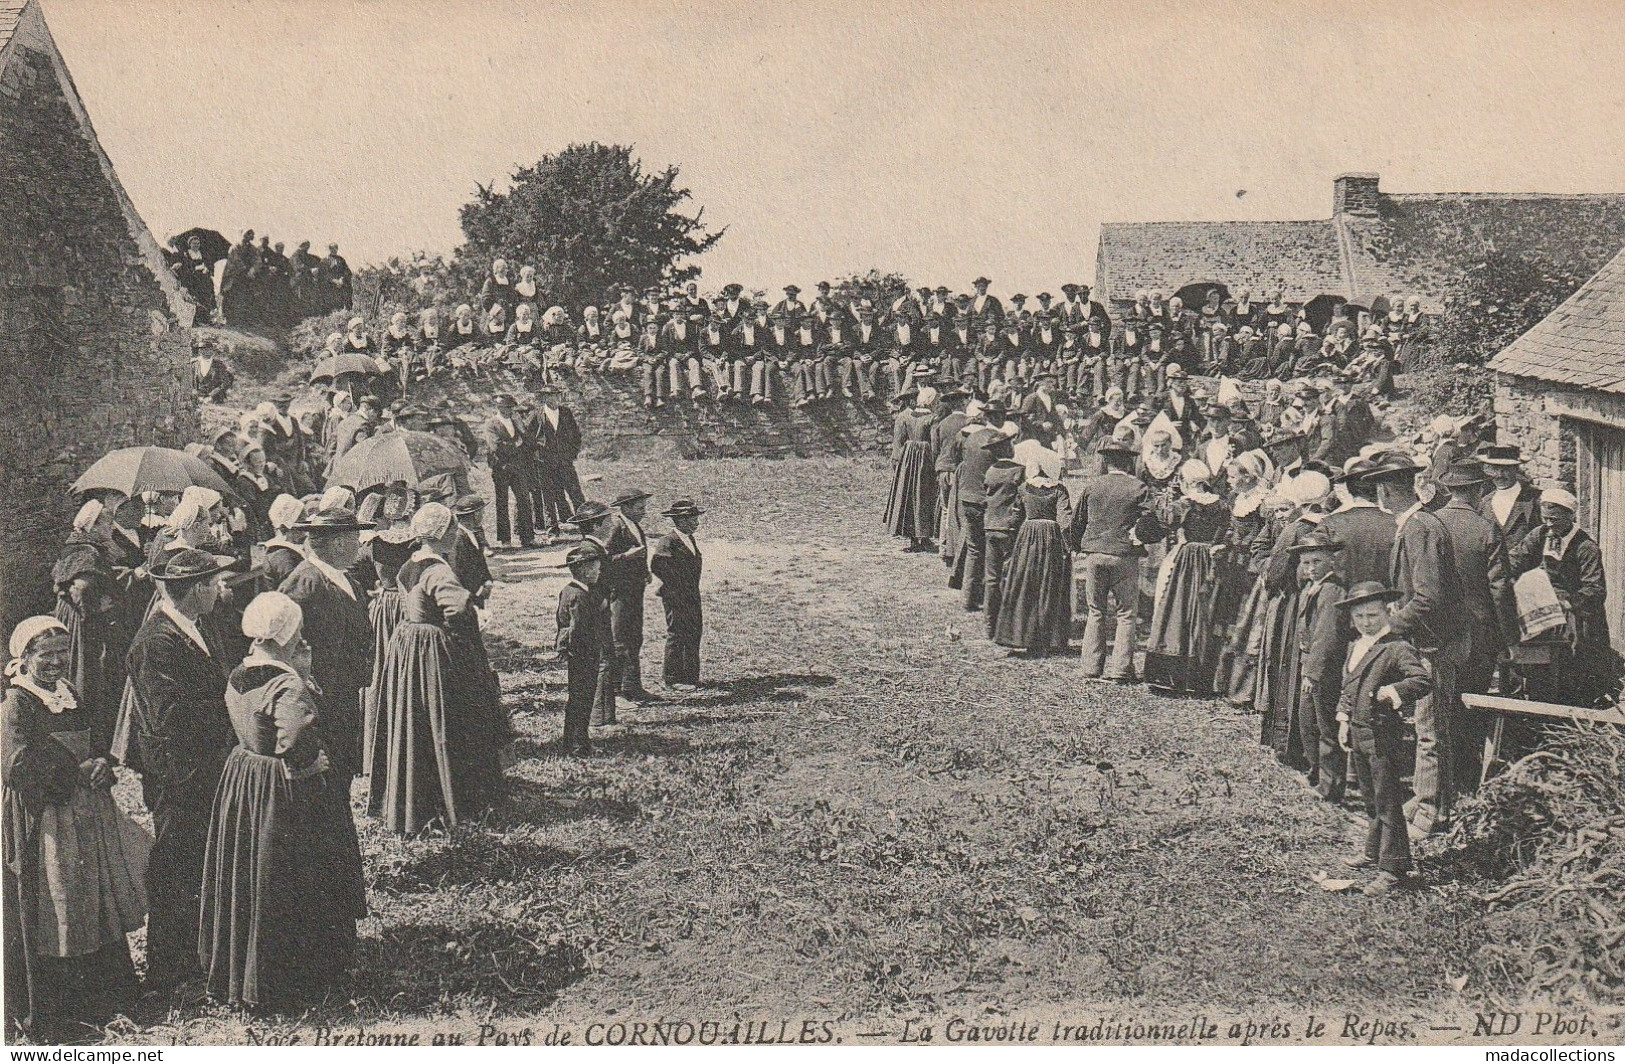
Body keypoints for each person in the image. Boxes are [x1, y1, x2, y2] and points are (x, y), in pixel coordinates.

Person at [198, 593, 366, 1010]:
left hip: (245, 775)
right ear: (287, 634)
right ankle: (292, 974)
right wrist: (310, 763)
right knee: (289, 872)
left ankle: (244, 967)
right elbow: (295, 737)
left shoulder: (239, 673)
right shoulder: (286, 682)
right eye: (298, 633)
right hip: (282, 785)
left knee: (252, 870)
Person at [3, 617, 147, 1042]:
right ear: (24, 659)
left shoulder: (70, 694)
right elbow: (15, 766)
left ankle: (103, 996)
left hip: (86, 816)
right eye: (45, 656)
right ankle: (56, 1008)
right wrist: (75, 772)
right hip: (44, 819)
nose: (55, 663)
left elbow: (93, 740)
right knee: (56, 902)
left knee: (91, 898)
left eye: (62, 654)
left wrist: (103, 761)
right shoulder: (16, 705)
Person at [123, 547, 235, 990]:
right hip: (178, 775)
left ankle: (198, 956)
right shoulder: (157, 641)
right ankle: (167, 972)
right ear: (195, 590)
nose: (219, 589)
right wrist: (230, 706)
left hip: (203, 766)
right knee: (174, 867)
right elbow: (169, 717)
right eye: (212, 583)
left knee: (196, 864)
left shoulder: (195, 625)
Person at [373, 503, 508, 833]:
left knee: (416, 721)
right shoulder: (438, 570)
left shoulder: (410, 563)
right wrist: (473, 627)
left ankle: (419, 797)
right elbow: (458, 612)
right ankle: (454, 799)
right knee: (447, 720)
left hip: (407, 646)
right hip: (433, 650)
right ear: (446, 535)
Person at [1367, 451, 1465, 835]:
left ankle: (1431, 813)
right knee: (1428, 726)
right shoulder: (1414, 525)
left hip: (1433, 646)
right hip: (1424, 643)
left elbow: (1428, 598)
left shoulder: (1419, 528)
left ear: (1385, 490)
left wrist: (1390, 625)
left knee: (1430, 731)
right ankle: (1426, 798)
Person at [1335, 582, 1433, 896]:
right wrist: (1342, 720)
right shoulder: (1356, 646)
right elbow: (1348, 688)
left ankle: (1394, 869)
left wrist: (1394, 691)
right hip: (1358, 733)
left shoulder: (1396, 647)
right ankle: (1372, 850)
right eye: (1360, 615)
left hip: (1381, 736)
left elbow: (1421, 680)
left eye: (1373, 615)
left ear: (1388, 612)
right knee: (1370, 796)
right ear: (1352, 617)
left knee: (1388, 801)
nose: (1367, 621)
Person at [1433, 460, 1514, 790]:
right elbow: (1500, 588)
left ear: (1450, 490)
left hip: (1436, 633)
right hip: (1478, 635)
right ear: (1480, 491)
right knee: (1470, 706)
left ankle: (1434, 783)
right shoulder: (1485, 529)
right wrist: (1509, 637)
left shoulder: (1429, 524)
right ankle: (1464, 783)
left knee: (1436, 707)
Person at [278, 507, 373, 779]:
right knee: (327, 773)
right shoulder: (306, 581)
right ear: (339, 543)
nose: (359, 545)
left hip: (344, 692)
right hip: (320, 698)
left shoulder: (346, 580)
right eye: (356, 538)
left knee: (342, 766)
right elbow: (283, 637)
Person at [1509, 488, 1618, 708]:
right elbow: (1515, 558)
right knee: (1535, 662)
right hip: (1546, 612)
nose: (1549, 524)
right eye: (1545, 518)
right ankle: (1539, 706)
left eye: (1554, 519)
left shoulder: (1585, 547)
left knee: (1573, 670)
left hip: (1577, 617)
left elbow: (1595, 590)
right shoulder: (1540, 535)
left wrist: (1567, 603)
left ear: (1570, 516)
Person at [1074, 438, 1164, 682]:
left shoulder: (1093, 486)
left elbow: (1077, 521)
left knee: (1096, 611)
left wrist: (1078, 546)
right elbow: (1153, 523)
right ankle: (1121, 669)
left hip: (1094, 554)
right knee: (1126, 613)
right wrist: (1141, 538)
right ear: (1128, 461)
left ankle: (1091, 667)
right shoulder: (1139, 488)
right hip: (1124, 555)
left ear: (1106, 461)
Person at [1143, 460, 1228, 695]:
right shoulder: (1222, 505)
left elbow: (1160, 521)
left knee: (1178, 608)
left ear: (1188, 481)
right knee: (1202, 613)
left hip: (1188, 558)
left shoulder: (1185, 504)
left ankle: (1173, 674)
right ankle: (1200, 675)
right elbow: (1226, 531)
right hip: (1210, 558)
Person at [992, 460, 1074, 657]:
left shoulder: (1024, 488)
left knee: (1025, 583)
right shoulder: (1059, 489)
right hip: (1050, 537)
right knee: (1049, 584)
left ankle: (1023, 636)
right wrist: (1068, 545)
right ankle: (1049, 638)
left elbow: (1016, 516)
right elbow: (1064, 521)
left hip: (1027, 537)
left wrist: (1010, 539)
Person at [1289, 532, 1348, 801]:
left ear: (1331, 561)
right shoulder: (1310, 588)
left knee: (1325, 725)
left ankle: (1331, 785)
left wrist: (1313, 673)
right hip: (1308, 662)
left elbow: (1326, 636)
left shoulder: (1332, 591)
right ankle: (1315, 772)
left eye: (1317, 562)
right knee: (1307, 721)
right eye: (1306, 563)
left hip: (1325, 669)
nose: (1311, 568)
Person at [604, 489, 656, 706]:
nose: (643, 512)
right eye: (639, 508)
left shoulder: (634, 526)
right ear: (625, 508)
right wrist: (626, 556)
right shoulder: (616, 528)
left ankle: (632, 686)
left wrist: (645, 572)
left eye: (644, 507)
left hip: (635, 591)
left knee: (635, 637)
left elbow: (641, 554)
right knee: (621, 638)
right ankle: (617, 691)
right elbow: (603, 560)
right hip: (620, 592)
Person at [555, 544, 606, 756]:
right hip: (584, 656)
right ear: (584, 571)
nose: (599, 572)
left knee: (577, 700)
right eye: (596, 569)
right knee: (582, 701)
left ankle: (574, 742)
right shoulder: (579, 596)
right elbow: (577, 629)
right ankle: (578, 746)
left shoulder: (569, 590)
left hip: (578, 655)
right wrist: (582, 651)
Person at [651, 499, 705, 692]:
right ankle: (673, 678)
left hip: (691, 595)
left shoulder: (689, 539)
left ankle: (690, 676)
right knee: (678, 633)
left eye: (696, 517)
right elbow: (658, 565)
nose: (696, 522)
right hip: (676, 596)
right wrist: (677, 585)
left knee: (693, 632)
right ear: (679, 520)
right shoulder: (668, 541)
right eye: (692, 518)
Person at [980, 426, 1026, 639]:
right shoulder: (1018, 471)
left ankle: (989, 626)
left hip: (990, 526)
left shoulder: (990, 472)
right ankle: (1006, 627)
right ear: (1007, 448)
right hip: (1009, 528)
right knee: (1008, 576)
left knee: (991, 578)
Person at [884, 386, 940, 552]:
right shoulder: (932, 418)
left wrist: (897, 461)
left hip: (908, 458)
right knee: (924, 495)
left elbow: (898, 443)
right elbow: (935, 444)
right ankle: (921, 536)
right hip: (925, 458)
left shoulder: (905, 417)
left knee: (912, 495)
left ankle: (917, 538)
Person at [529, 384, 587, 541]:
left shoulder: (566, 413)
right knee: (547, 495)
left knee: (575, 492)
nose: (553, 399)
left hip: (564, 461)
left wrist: (571, 453)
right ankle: (552, 529)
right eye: (549, 396)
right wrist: (536, 454)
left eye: (556, 395)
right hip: (544, 463)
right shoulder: (537, 415)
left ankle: (586, 526)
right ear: (544, 398)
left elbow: (576, 435)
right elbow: (528, 437)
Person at [485, 395, 535, 549]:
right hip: (501, 468)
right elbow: (496, 447)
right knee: (502, 502)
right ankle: (505, 540)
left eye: (511, 407)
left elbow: (530, 443)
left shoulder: (516, 421)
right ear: (499, 407)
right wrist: (517, 444)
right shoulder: (491, 424)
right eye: (507, 407)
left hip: (518, 467)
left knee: (524, 500)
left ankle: (527, 538)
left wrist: (521, 430)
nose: (510, 410)